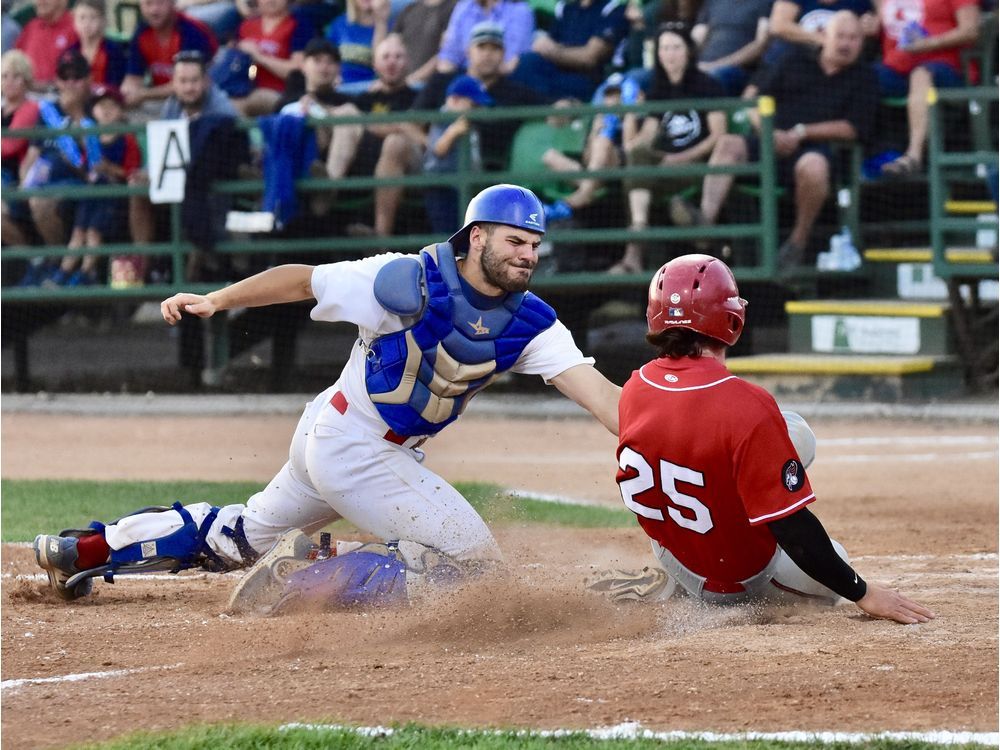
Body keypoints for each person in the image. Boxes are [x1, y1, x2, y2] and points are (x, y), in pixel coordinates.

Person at [32, 184, 623, 611]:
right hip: (356, 446)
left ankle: (80, 549)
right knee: (477, 573)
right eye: (516, 240)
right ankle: (304, 575)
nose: (529, 254)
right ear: (476, 237)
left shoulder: (534, 324)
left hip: (339, 436)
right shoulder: (405, 279)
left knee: (239, 539)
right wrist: (216, 300)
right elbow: (301, 278)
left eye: (536, 245)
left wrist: (688, 416)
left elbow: (605, 401)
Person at [587, 253, 936, 626]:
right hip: (743, 576)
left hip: (675, 554)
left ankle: (675, 581)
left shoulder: (637, 385)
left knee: (726, 449)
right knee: (804, 459)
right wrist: (862, 591)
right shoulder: (747, 403)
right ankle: (710, 595)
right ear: (730, 318)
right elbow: (794, 529)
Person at [670, 10, 878, 267]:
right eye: (841, 36)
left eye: (854, 38)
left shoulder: (865, 76)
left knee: (814, 165)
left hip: (817, 152)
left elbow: (852, 128)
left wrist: (801, 132)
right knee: (729, 144)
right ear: (823, 35)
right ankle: (704, 224)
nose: (846, 43)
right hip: (771, 142)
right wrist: (769, 132)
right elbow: (752, 98)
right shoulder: (792, 59)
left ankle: (796, 243)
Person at [615, 21, 727, 274]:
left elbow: (719, 136)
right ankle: (642, 227)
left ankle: (634, 253)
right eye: (664, 48)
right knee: (637, 162)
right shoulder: (657, 91)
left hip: (698, 165)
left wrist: (682, 158)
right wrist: (632, 113)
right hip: (663, 168)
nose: (669, 54)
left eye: (675, 47)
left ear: (688, 50)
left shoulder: (707, 85)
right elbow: (638, 145)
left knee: (635, 179)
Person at [324, 33, 423, 237]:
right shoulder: (364, 99)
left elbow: (417, 133)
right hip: (363, 168)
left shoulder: (418, 97)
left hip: (412, 170)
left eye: (398, 56)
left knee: (395, 142)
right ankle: (326, 191)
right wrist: (398, 124)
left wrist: (370, 124)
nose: (392, 62)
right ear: (375, 64)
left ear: (408, 62)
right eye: (386, 57)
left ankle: (380, 236)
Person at [415, 21, 549, 171]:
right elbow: (409, 123)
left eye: (495, 48)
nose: (487, 54)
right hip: (434, 167)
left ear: (504, 53)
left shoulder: (517, 91)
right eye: (481, 47)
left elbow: (554, 107)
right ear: (468, 51)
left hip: (486, 173)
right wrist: (437, 145)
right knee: (396, 144)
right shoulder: (442, 80)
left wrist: (564, 104)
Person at [874, 0, 981, 177]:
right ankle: (859, 161)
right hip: (897, 68)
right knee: (862, 77)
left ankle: (914, 156)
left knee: (921, 74)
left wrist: (929, 43)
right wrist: (870, 24)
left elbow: (971, 30)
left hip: (948, 69)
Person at [507, 0, 631, 102]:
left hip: (589, 79)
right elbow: (543, 46)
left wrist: (554, 51)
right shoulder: (566, 9)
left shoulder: (613, 9)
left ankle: (556, 106)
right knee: (525, 64)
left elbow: (589, 58)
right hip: (557, 73)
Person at [422, 74, 491, 232]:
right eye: (473, 105)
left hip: (462, 186)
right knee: (446, 234)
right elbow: (438, 149)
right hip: (440, 185)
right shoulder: (444, 117)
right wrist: (453, 132)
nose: (477, 110)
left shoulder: (469, 123)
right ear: (454, 100)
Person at [120, 0, 218, 110]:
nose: (154, 10)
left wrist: (143, 94)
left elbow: (188, 86)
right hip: (161, 100)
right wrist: (127, 92)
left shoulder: (192, 32)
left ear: (173, 3)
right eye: (148, 4)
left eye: (160, 3)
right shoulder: (141, 31)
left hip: (201, 101)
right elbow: (133, 77)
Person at [231, 0, 314, 115]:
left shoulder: (298, 25)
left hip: (283, 93)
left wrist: (259, 57)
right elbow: (247, 70)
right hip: (244, 89)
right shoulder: (245, 27)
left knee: (242, 104)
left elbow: (296, 69)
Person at [1, 49, 41, 248]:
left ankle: (29, 254)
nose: (9, 81)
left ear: (26, 80)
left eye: (16, 76)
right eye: (4, 76)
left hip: (15, 177)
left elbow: (9, 146)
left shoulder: (30, 108)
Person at [691, 0, 772, 95]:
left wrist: (717, 65)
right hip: (704, 65)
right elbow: (698, 35)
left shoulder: (765, 2)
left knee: (711, 79)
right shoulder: (713, 2)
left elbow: (761, 44)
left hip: (740, 69)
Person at [435, 0, 534, 76]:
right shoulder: (464, 7)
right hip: (463, 77)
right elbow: (449, 56)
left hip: (499, 80)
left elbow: (510, 63)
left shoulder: (520, 11)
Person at [325, 0, 391, 94]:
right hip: (340, 89)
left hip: (373, 90)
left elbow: (382, 63)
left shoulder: (390, 27)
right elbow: (327, 57)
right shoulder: (339, 24)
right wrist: (332, 77)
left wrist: (380, 23)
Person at [393, 0, 457, 87]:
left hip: (429, 85)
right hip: (402, 83)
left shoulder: (454, 8)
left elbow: (446, 53)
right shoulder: (410, 8)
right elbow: (390, 44)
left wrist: (413, 78)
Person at [14, 0, 77, 87]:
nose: (40, 2)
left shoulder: (76, 28)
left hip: (61, 94)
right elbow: (15, 63)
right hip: (29, 94)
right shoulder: (32, 27)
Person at [66, 0, 127, 87]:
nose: (87, 24)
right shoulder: (70, 52)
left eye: (93, 17)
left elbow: (117, 83)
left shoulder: (113, 51)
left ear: (103, 20)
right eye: (82, 18)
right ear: (74, 21)